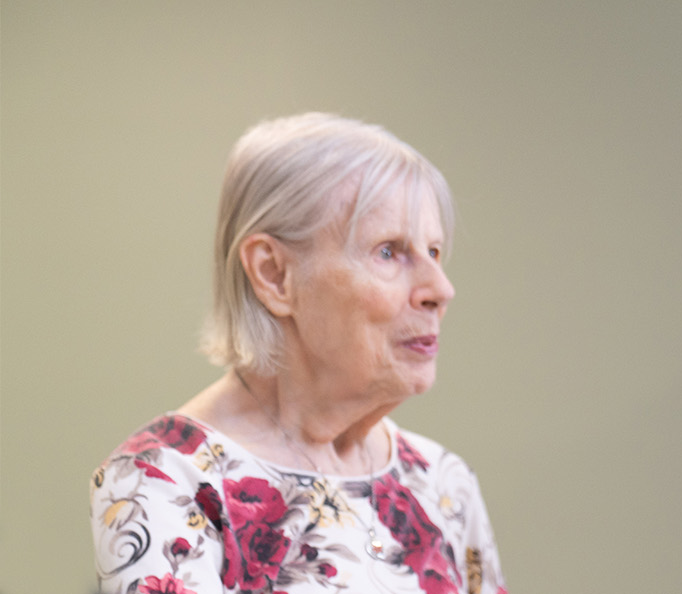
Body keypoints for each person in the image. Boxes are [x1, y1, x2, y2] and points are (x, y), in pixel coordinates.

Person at [89, 113, 507, 594]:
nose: (441, 288)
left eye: (433, 252)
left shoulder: (444, 483)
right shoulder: (165, 482)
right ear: (274, 274)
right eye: (389, 251)